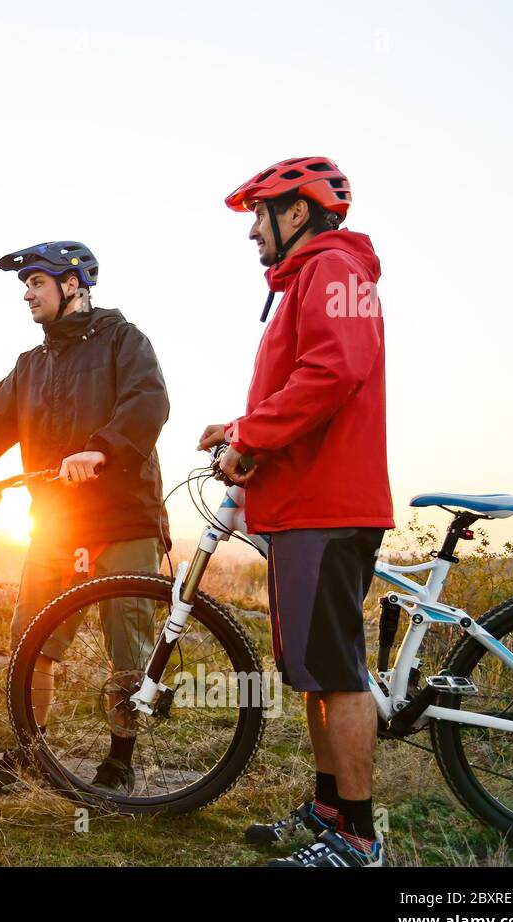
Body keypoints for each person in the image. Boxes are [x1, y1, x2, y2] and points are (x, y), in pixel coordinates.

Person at [0, 241, 171, 796]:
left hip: (123, 520)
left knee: (128, 649)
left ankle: (121, 761)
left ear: (72, 285)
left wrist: (101, 450)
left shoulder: (125, 341)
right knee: (31, 642)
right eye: (25, 285)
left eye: (37, 284)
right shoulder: (32, 365)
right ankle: (27, 753)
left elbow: (149, 402)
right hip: (56, 524)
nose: (27, 294)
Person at [200, 156, 392, 866]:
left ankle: (359, 840)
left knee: (337, 673)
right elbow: (304, 382)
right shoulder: (312, 277)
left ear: (298, 212)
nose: (253, 231)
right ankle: (327, 809)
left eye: (261, 213)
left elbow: (335, 371)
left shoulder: (333, 269)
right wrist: (240, 430)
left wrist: (252, 436)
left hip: (326, 504)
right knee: (313, 671)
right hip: (302, 503)